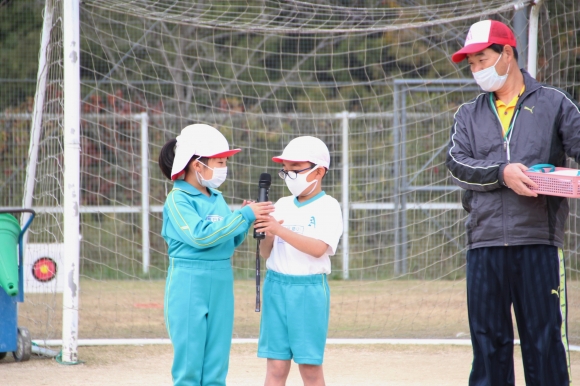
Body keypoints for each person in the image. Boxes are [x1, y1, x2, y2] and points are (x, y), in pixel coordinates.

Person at [446, 20, 579, 386]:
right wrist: (502, 172)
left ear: (507, 54)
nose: (476, 70)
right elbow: (457, 166)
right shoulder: (467, 115)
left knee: (545, 344)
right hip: (484, 244)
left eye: (481, 59)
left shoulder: (554, 103)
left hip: (538, 242)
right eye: (470, 63)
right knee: (488, 345)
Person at [158, 123, 275, 386]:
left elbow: (227, 242)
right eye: (219, 161)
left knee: (216, 364)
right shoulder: (178, 199)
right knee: (189, 365)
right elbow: (200, 236)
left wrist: (244, 221)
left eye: (225, 161)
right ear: (197, 165)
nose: (224, 167)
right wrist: (242, 216)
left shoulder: (216, 196)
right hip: (189, 280)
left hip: (221, 279)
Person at [254, 136, 343, 386]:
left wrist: (279, 230)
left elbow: (318, 249)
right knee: (276, 367)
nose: (289, 174)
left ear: (319, 172)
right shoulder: (280, 204)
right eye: (286, 170)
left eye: (296, 169)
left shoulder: (328, 206)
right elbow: (266, 253)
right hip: (275, 287)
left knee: (310, 367)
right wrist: (267, 233)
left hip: (308, 291)